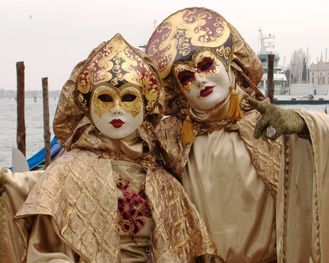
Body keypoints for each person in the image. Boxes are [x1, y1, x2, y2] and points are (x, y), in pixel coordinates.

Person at [145, 7, 329, 263]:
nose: (199, 80)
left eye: (206, 65)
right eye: (186, 77)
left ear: (229, 63)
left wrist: (299, 123)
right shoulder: (171, 140)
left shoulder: (268, 125)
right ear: (178, 90)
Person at [1, 33, 222, 263]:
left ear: (146, 105)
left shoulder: (163, 181)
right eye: (105, 98)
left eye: (128, 98)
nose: (117, 109)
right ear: (89, 106)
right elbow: (46, 253)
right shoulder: (66, 173)